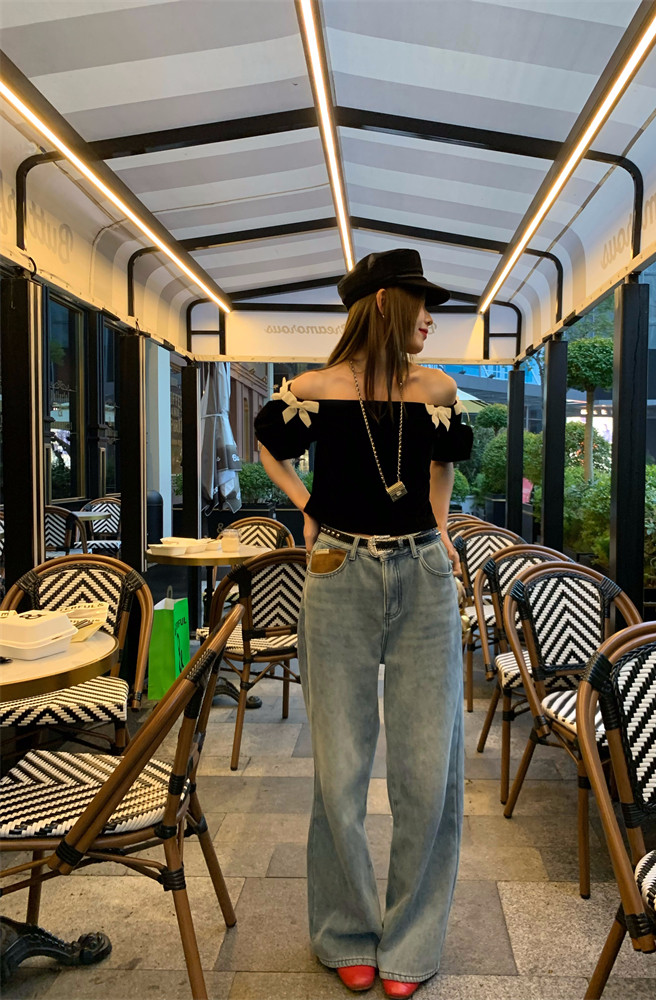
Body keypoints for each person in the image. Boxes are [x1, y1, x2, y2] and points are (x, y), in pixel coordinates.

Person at [254, 248, 472, 998]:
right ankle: (347, 930)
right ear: (384, 302)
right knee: (340, 768)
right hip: (338, 571)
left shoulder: (436, 387)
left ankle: (412, 940)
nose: (430, 319)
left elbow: (443, 466)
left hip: (424, 575)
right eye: (421, 303)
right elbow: (269, 443)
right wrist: (309, 507)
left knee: (428, 770)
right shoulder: (315, 389)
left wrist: (440, 527)